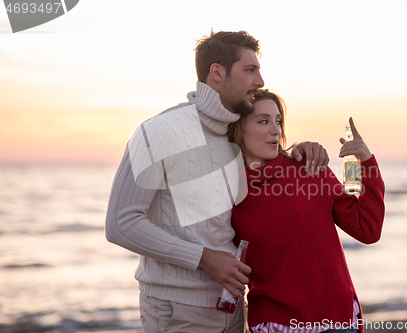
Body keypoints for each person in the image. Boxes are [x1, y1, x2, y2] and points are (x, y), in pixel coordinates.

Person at [105, 30, 330, 333]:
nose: (260, 81)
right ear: (217, 73)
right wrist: (204, 258)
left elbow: (268, 165)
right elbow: (121, 223)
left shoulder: (232, 135)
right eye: (250, 70)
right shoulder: (160, 131)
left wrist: (302, 150)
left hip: (233, 309)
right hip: (178, 311)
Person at [228, 89, 385, 333]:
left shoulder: (310, 168)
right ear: (239, 129)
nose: (275, 130)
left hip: (336, 322)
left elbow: (367, 228)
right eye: (263, 121)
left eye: (278, 121)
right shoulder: (226, 189)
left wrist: (361, 161)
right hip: (274, 325)